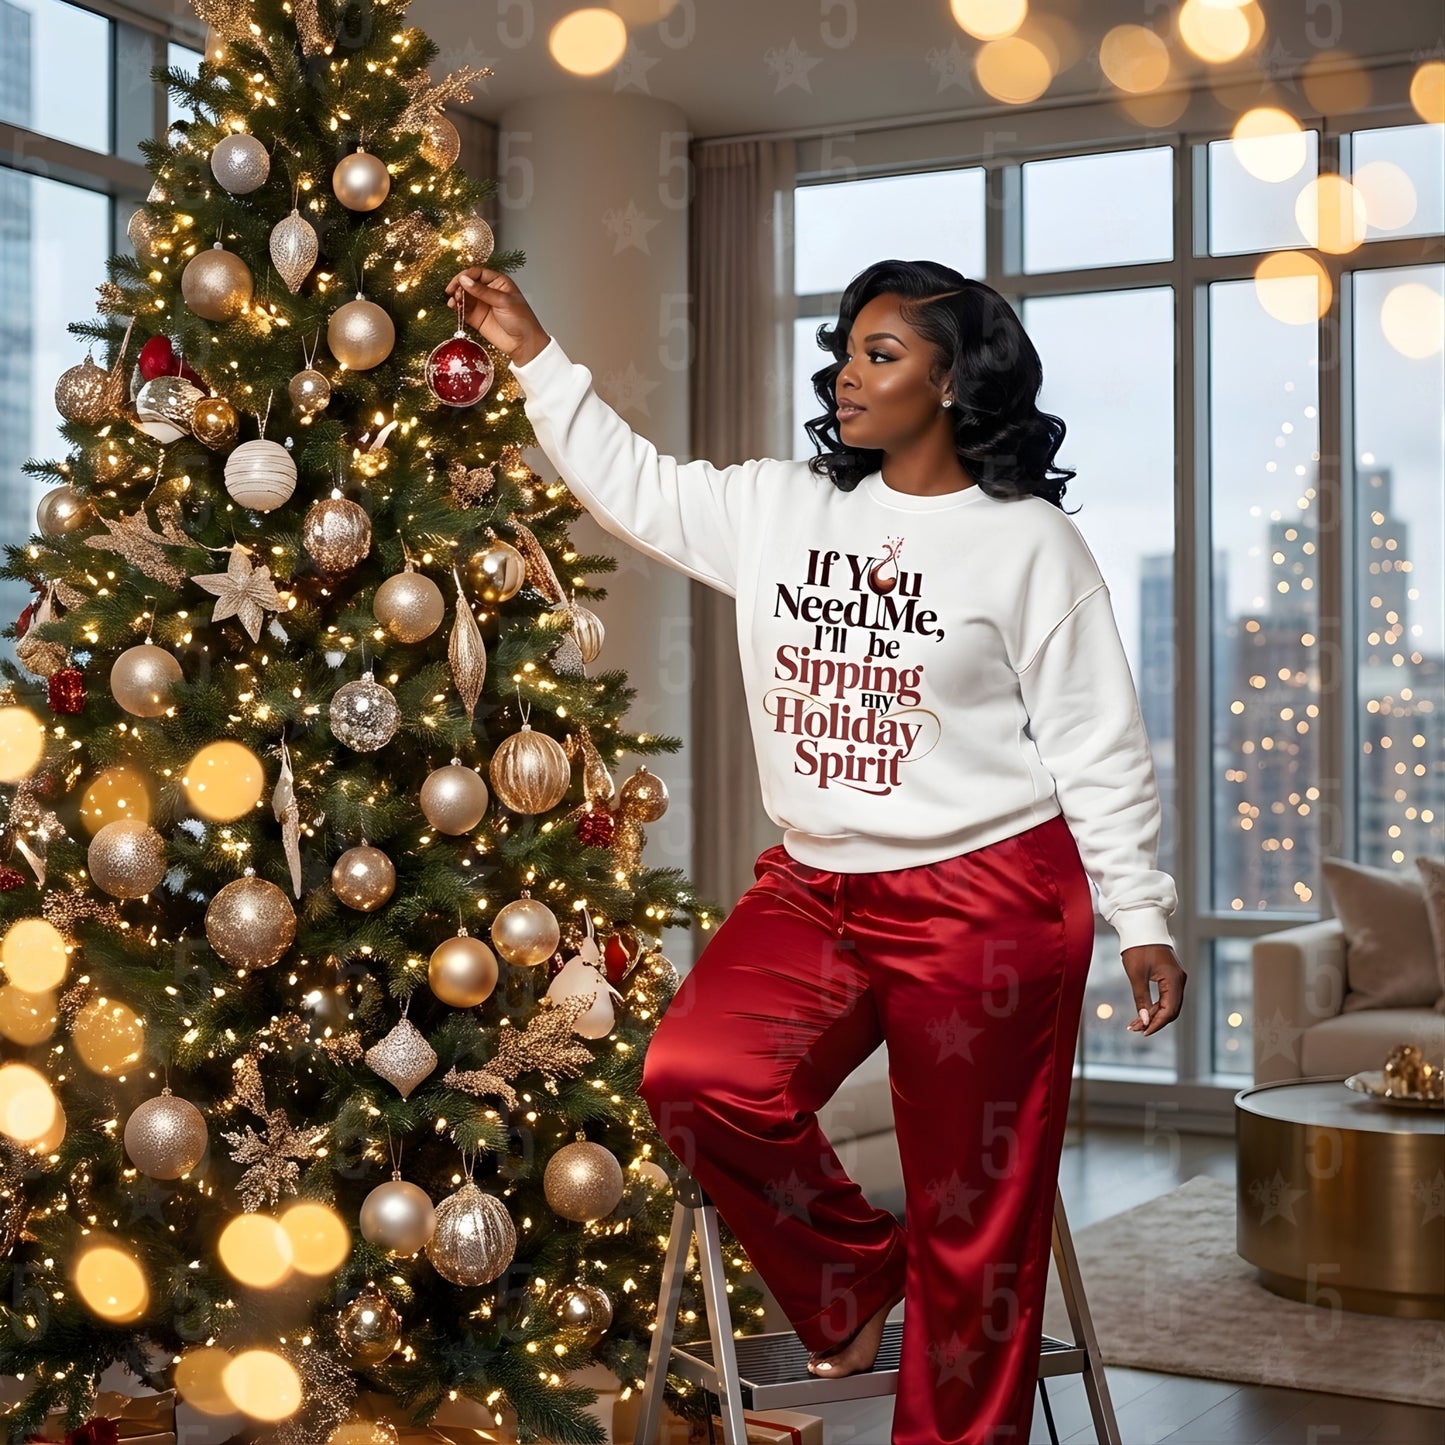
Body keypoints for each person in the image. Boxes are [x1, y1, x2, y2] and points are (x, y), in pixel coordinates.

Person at [445, 257, 1186, 1445]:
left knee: (971, 1217)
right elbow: (629, 485)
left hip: (989, 892)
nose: (847, 371)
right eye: (845, 347)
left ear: (949, 382)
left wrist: (1138, 911)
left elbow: (1097, 739)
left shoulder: (1028, 543)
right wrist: (536, 354)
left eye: (881, 354)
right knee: (695, 1073)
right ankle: (844, 1281)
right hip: (817, 883)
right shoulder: (781, 506)